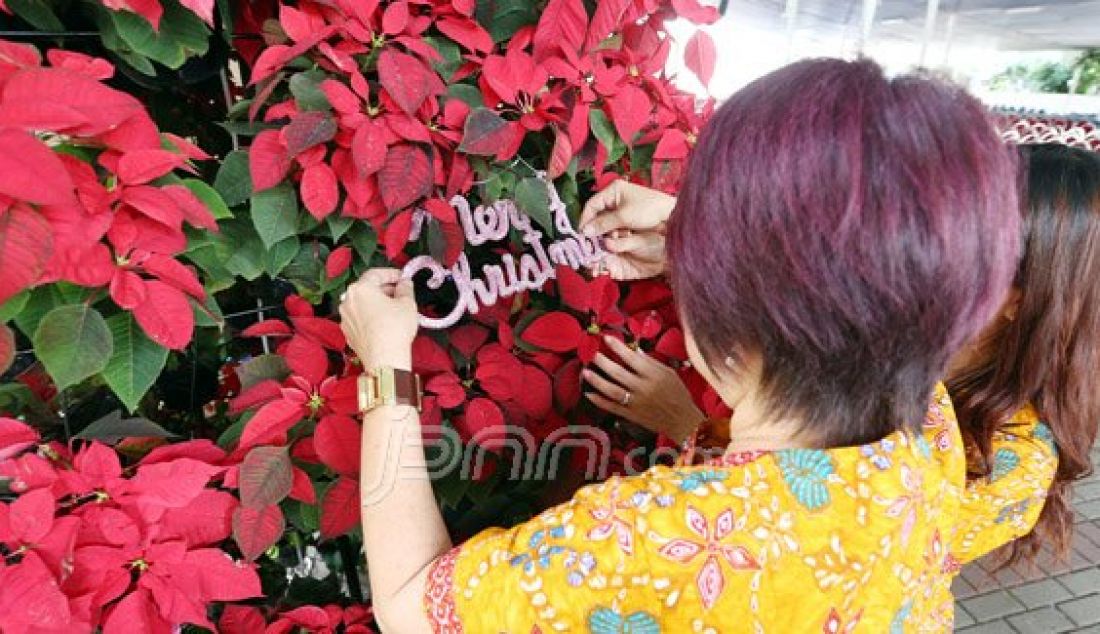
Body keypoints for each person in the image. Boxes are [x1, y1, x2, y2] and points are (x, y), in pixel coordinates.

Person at [342, 58, 1029, 632]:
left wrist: (385, 370)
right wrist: (688, 235)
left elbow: (409, 603)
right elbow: (867, 280)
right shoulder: (934, 440)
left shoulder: (657, 537)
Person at [584, 143, 1099, 567]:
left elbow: (812, 538)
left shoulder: (1015, 466)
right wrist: (683, 236)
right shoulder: (917, 322)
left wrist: (685, 422)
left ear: (1016, 299)